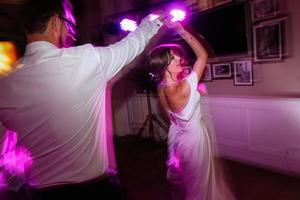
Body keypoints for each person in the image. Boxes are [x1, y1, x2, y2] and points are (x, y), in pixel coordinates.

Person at [0, 0, 168, 199]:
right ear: (55, 22)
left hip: (39, 194)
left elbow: (6, 152)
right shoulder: (85, 59)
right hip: (94, 191)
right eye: (68, 22)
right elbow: (131, 46)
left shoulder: (6, 85)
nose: (70, 31)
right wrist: (152, 20)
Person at [147, 22, 235, 200]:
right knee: (199, 184)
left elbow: (171, 117)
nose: (179, 59)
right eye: (173, 58)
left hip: (178, 137)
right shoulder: (186, 86)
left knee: (185, 179)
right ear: (164, 65)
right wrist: (182, 31)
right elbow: (202, 55)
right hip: (194, 139)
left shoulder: (161, 88)